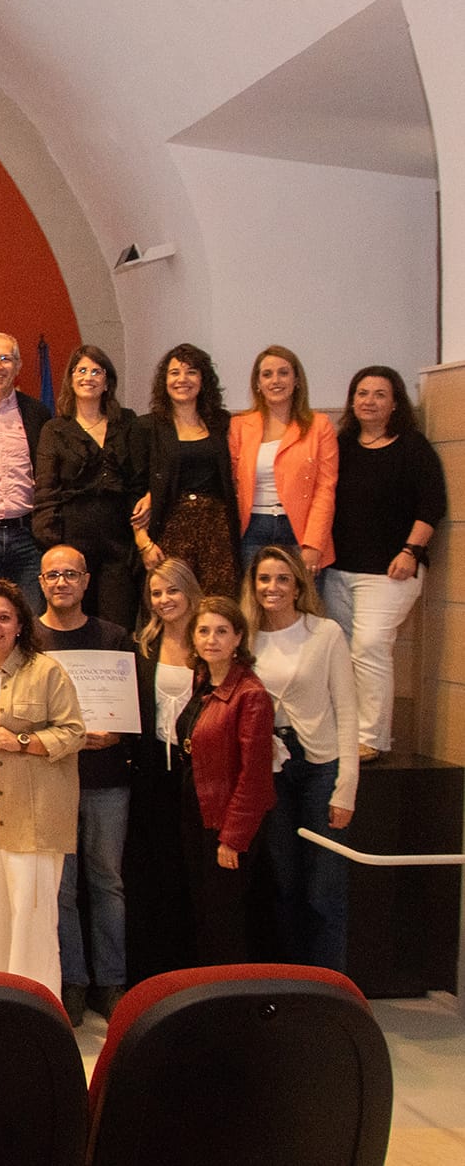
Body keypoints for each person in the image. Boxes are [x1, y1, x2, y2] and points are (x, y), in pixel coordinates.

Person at [0, 579, 85, 996]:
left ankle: (38, 1018)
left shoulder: (47, 670)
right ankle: (0, 1011)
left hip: (34, 812)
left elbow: (75, 732)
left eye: (4, 618)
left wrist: (23, 741)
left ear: (20, 624)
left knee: (33, 921)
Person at [35, 546, 147, 1023]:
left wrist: (117, 730)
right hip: (51, 777)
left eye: (70, 574)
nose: (61, 582)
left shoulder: (115, 637)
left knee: (107, 882)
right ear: (41, 582)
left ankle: (112, 982)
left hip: (106, 779)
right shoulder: (30, 639)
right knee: (60, 887)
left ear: (86, 581)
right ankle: (74, 982)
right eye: (52, 575)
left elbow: (134, 707)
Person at [244, 546, 358, 972]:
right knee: (285, 885)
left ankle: (331, 988)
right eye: (264, 579)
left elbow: (347, 710)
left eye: (282, 579)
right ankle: (297, 985)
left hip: (320, 767)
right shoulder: (246, 636)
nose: (272, 588)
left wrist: (346, 788)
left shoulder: (324, 633)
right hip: (271, 770)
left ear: (297, 586)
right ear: (253, 587)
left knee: (324, 889)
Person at [326, 366, 447, 761]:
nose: (369, 401)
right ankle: (346, 733)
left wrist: (410, 551)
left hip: (391, 572)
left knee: (371, 646)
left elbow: (432, 506)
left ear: (395, 402)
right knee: (342, 652)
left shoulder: (413, 447)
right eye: (362, 393)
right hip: (339, 570)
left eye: (380, 394)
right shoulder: (341, 444)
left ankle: (373, 738)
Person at [175, 597, 275, 966]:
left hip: (226, 824)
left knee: (225, 919)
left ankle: (229, 1003)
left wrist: (231, 839)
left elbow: (255, 778)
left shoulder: (251, 695)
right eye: (203, 631)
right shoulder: (204, 682)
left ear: (238, 639)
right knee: (204, 913)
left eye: (221, 631)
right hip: (197, 814)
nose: (211, 639)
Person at [127, 556, 203, 982]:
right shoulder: (144, 645)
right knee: (155, 868)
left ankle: (194, 966)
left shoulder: (208, 641)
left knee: (193, 867)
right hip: (154, 770)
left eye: (172, 590)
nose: (164, 600)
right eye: (156, 593)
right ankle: (156, 970)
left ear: (189, 591)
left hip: (197, 773)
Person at [32, 345, 144, 629]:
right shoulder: (54, 429)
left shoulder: (127, 423)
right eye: (81, 370)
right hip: (72, 544)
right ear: (71, 379)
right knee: (71, 626)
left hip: (119, 546)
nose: (89, 377)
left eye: (97, 371)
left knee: (118, 626)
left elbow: (140, 478)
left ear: (107, 382)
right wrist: (56, 548)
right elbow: (45, 491)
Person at [132, 343, 241, 601]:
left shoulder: (222, 423)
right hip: (170, 528)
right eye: (174, 373)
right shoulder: (147, 427)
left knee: (219, 605)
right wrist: (143, 542)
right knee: (173, 604)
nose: (182, 379)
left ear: (203, 379)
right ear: (164, 380)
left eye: (191, 372)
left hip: (217, 530)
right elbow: (134, 491)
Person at [229, 345, 339, 573]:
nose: (275, 380)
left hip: (299, 532)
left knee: (303, 605)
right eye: (267, 374)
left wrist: (313, 544)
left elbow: (325, 489)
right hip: (252, 530)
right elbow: (231, 482)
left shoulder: (319, 426)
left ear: (297, 379)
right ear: (257, 384)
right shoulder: (240, 426)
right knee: (254, 605)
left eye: (284, 372)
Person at [0, 333, 52, 610]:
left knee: (31, 621)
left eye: (6, 359)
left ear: (18, 367)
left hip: (27, 536)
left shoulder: (37, 413)